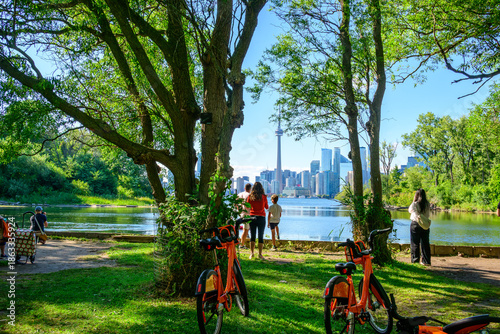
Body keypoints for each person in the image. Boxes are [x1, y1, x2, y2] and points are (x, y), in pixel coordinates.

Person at [408, 189, 431, 266]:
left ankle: (415, 260)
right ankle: (426, 261)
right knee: (425, 243)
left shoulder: (415, 204)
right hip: (425, 225)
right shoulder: (428, 204)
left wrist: (413, 200)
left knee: (415, 243)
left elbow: (409, 210)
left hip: (415, 224)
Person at [246, 182, 268, 260]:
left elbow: (247, 206)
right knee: (260, 235)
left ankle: (252, 254)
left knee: (252, 235)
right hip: (261, 217)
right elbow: (266, 206)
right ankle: (260, 254)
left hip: (252, 217)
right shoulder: (264, 197)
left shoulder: (250, 196)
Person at [237, 183, 252, 249]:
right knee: (246, 230)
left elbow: (236, 204)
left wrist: (239, 210)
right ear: (250, 189)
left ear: (244, 188)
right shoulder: (249, 195)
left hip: (241, 213)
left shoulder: (239, 194)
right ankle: (242, 244)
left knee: (244, 229)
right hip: (247, 214)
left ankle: (240, 243)